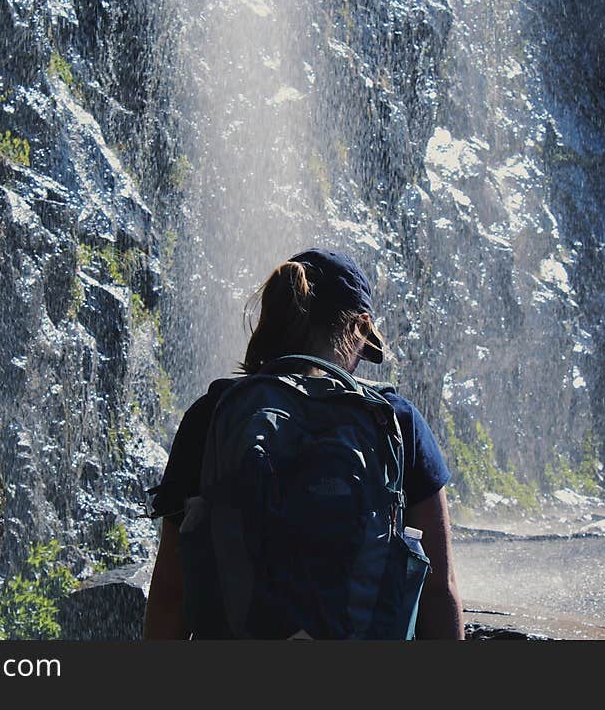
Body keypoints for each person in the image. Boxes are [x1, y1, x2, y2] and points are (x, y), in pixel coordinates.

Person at [143, 247, 465, 639]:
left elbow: (170, 592)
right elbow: (437, 589)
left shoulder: (213, 415)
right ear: (360, 328)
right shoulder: (396, 420)